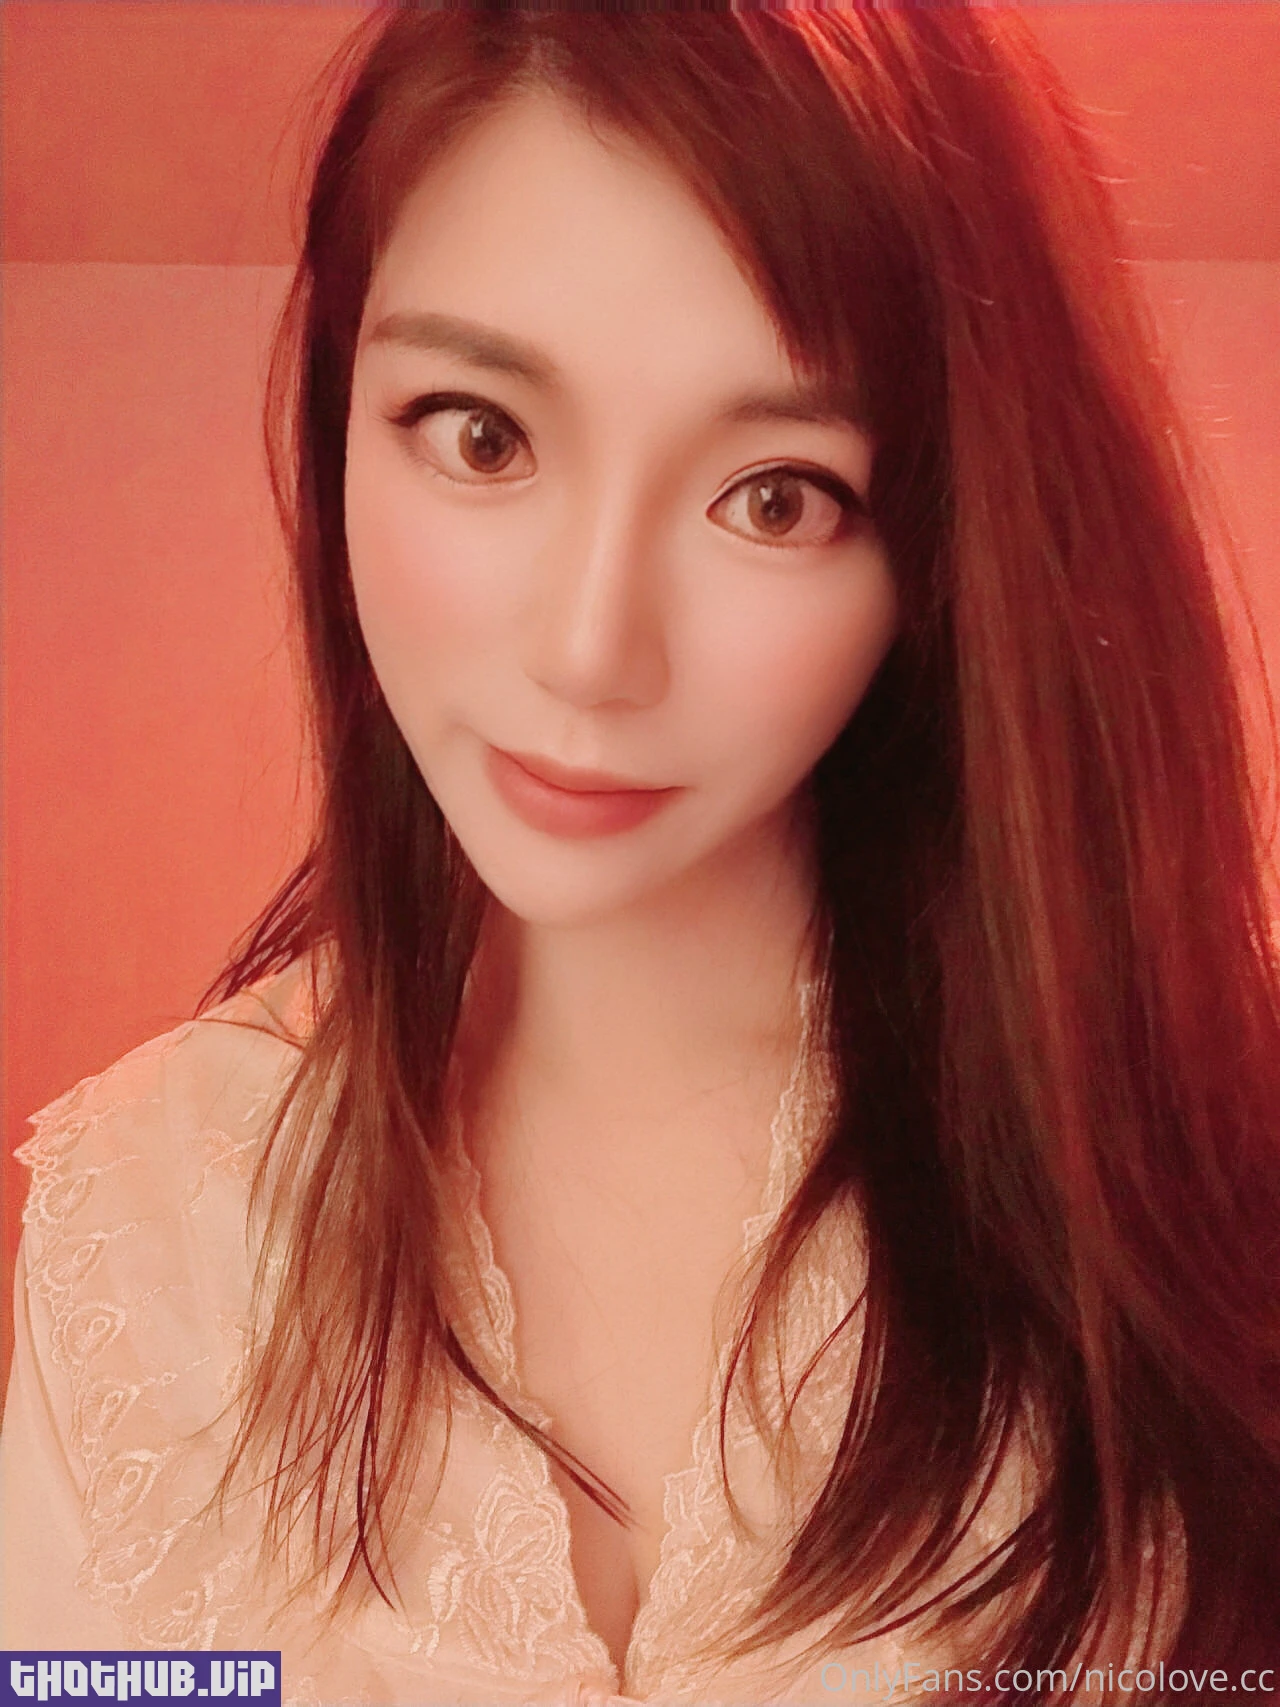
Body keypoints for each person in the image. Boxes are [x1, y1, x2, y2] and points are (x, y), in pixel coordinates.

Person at [4, 7, 1279, 1704]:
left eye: (776, 494)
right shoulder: (142, 1214)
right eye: (482, 434)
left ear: (950, 551)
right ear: (336, 418)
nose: (592, 651)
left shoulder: (1200, 1182)